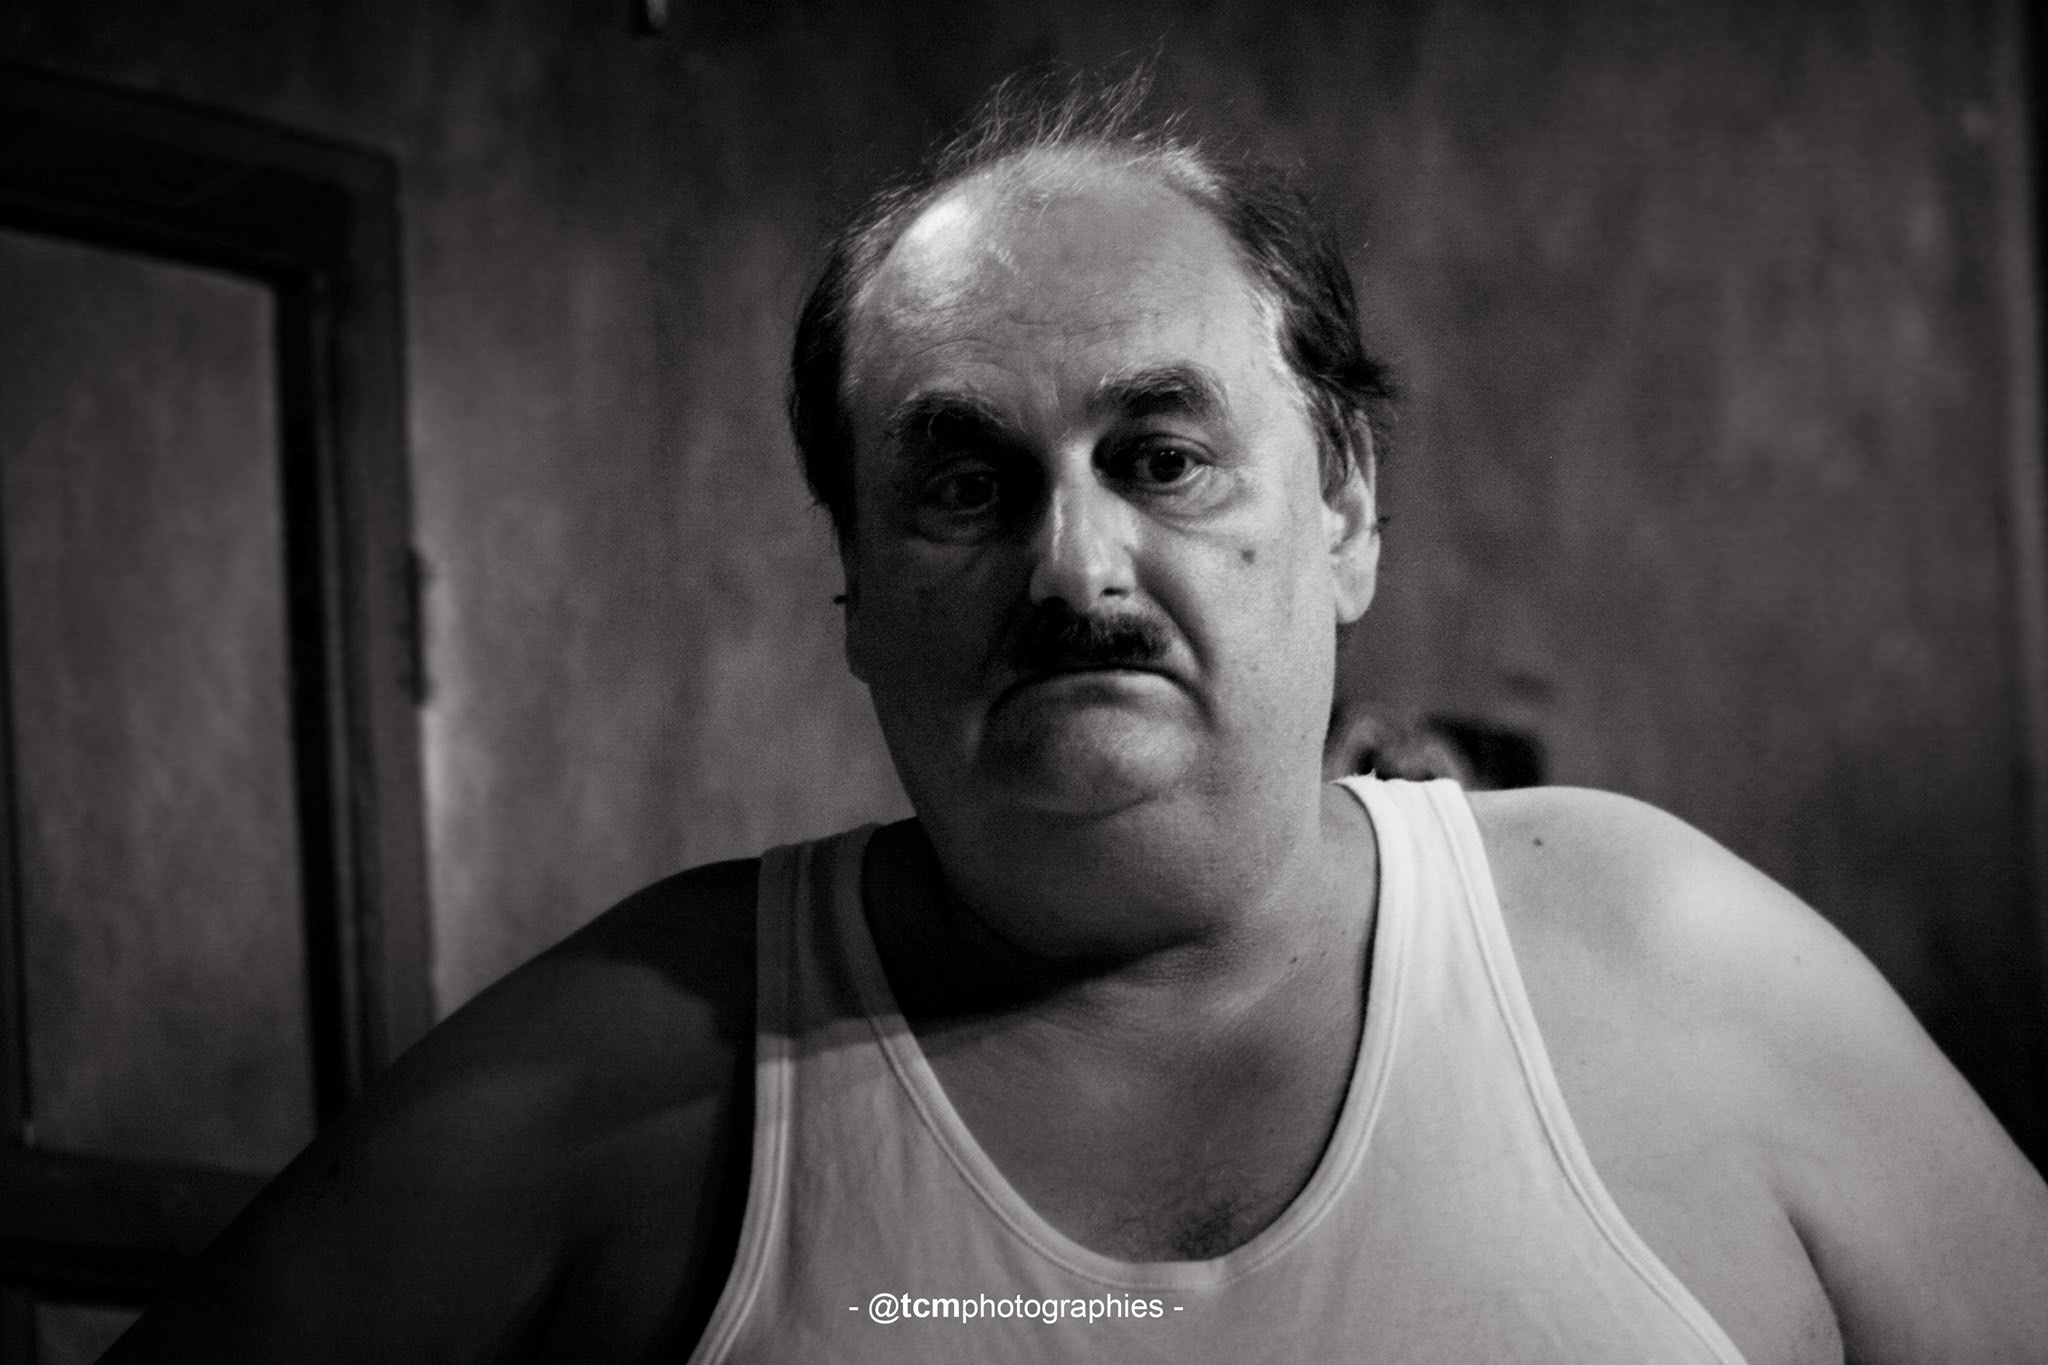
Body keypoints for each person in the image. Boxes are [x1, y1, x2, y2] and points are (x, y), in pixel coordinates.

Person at [111, 74, 2048, 1365]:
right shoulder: (628, 1077)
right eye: (965, 482)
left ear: (1346, 509)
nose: (1073, 563)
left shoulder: (1673, 965)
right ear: (854, 585)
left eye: (1161, 454)